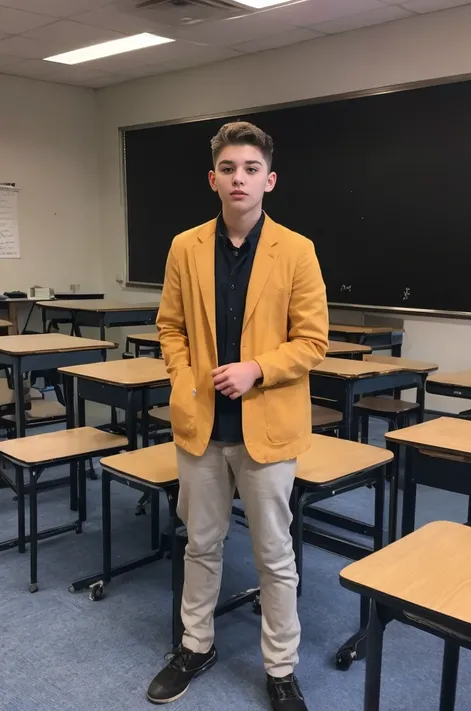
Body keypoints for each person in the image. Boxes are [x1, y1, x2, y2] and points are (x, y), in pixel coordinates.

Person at [148, 121, 328, 710]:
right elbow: (169, 327)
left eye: (250, 169)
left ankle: (280, 668)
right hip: (201, 426)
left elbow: (312, 341)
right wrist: (183, 376)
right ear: (213, 179)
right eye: (228, 169)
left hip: (267, 426)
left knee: (274, 554)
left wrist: (257, 368)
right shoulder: (184, 246)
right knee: (201, 544)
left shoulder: (296, 249)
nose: (239, 178)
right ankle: (195, 645)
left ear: (269, 180)